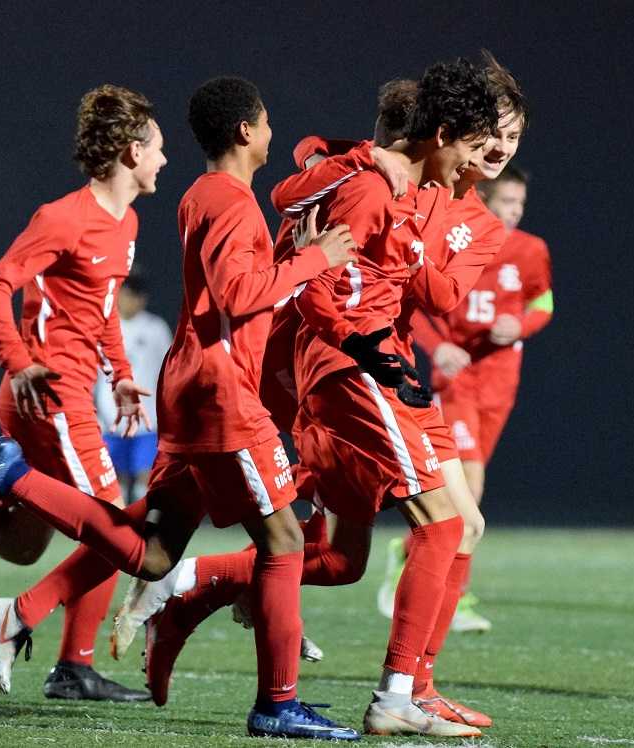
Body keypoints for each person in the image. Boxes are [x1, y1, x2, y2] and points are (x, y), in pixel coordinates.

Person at [0, 76, 361, 741]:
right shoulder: (215, 201)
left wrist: (123, 370)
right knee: (280, 541)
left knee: (146, 551)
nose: (275, 133)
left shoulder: (189, 200)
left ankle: (30, 602)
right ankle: (274, 703)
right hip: (193, 394)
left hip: (186, 385)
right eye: (268, 122)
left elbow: (211, 288)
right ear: (247, 131)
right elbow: (232, 293)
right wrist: (311, 260)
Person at [110, 59, 524, 734]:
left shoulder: (460, 210)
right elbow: (315, 248)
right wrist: (359, 330)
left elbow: (400, 284)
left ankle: (190, 591)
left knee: (338, 556)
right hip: (342, 368)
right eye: (484, 139)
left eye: (508, 139)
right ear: (443, 133)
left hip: (377, 368)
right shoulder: (376, 183)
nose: (494, 152)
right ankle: (395, 693)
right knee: (444, 524)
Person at [0, 84, 163, 702]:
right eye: (157, 150)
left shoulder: (129, 221)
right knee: (121, 532)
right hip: (48, 395)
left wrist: (119, 373)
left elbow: (104, 309)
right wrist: (16, 362)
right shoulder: (62, 217)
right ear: (129, 152)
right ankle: (57, 650)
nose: (164, 162)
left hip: (63, 394)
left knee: (25, 543)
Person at [385, 161, 553, 634]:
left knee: (470, 496)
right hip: (457, 384)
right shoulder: (460, 239)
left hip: (502, 385)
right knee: (469, 495)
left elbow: (545, 302)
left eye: (520, 203)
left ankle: (406, 554)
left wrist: (520, 325)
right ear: (486, 199)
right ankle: (452, 598)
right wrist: (442, 350)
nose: (515, 212)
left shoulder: (531, 250)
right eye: (506, 202)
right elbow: (411, 305)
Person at [93, 268, 172, 505]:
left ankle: (140, 531)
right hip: (110, 422)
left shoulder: (155, 329)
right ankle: (116, 532)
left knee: (144, 480)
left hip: (147, 422)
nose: (132, 300)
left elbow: (169, 370)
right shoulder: (103, 327)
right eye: (128, 294)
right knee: (114, 482)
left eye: (138, 295)